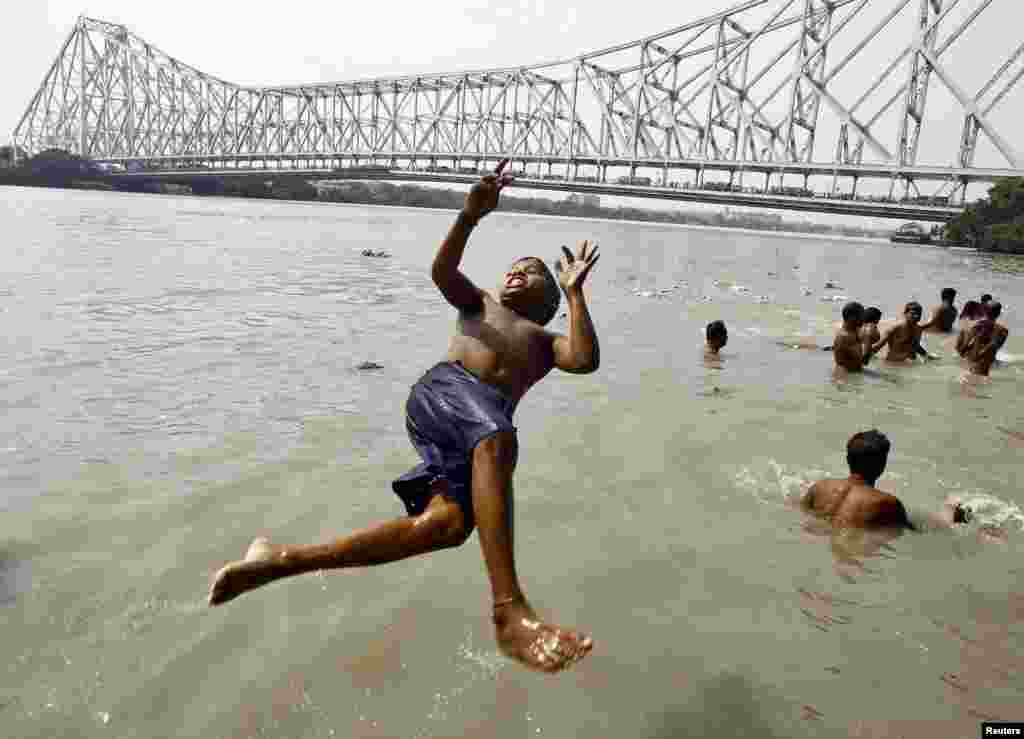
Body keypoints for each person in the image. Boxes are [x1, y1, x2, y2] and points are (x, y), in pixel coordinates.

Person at [207, 160, 600, 673]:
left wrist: (574, 294)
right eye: (512, 265)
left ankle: (278, 560)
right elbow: (441, 271)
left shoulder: (546, 342)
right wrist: (469, 216)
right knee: (499, 436)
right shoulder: (479, 303)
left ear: (546, 301)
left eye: (529, 272)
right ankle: (509, 611)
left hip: (473, 436)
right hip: (443, 395)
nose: (514, 271)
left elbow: (586, 359)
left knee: (447, 525)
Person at [801, 430, 914, 529]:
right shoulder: (888, 504)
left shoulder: (820, 486)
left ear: (848, 459)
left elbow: (801, 512)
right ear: (882, 464)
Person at [866, 301, 936, 363]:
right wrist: (863, 356)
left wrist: (926, 355)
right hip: (894, 365)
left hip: (911, 365)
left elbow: (914, 345)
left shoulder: (918, 328)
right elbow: (878, 346)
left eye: (919, 314)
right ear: (905, 313)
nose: (916, 316)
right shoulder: (895, 329)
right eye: (913, 314)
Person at [831, 301, 869, 372]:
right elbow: (864, 360)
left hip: (851, 373)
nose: (864, 319)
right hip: (845, 377)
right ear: (852, 317)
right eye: (862, 315)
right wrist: (867, 339)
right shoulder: (846, 337)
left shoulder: (852, 332)